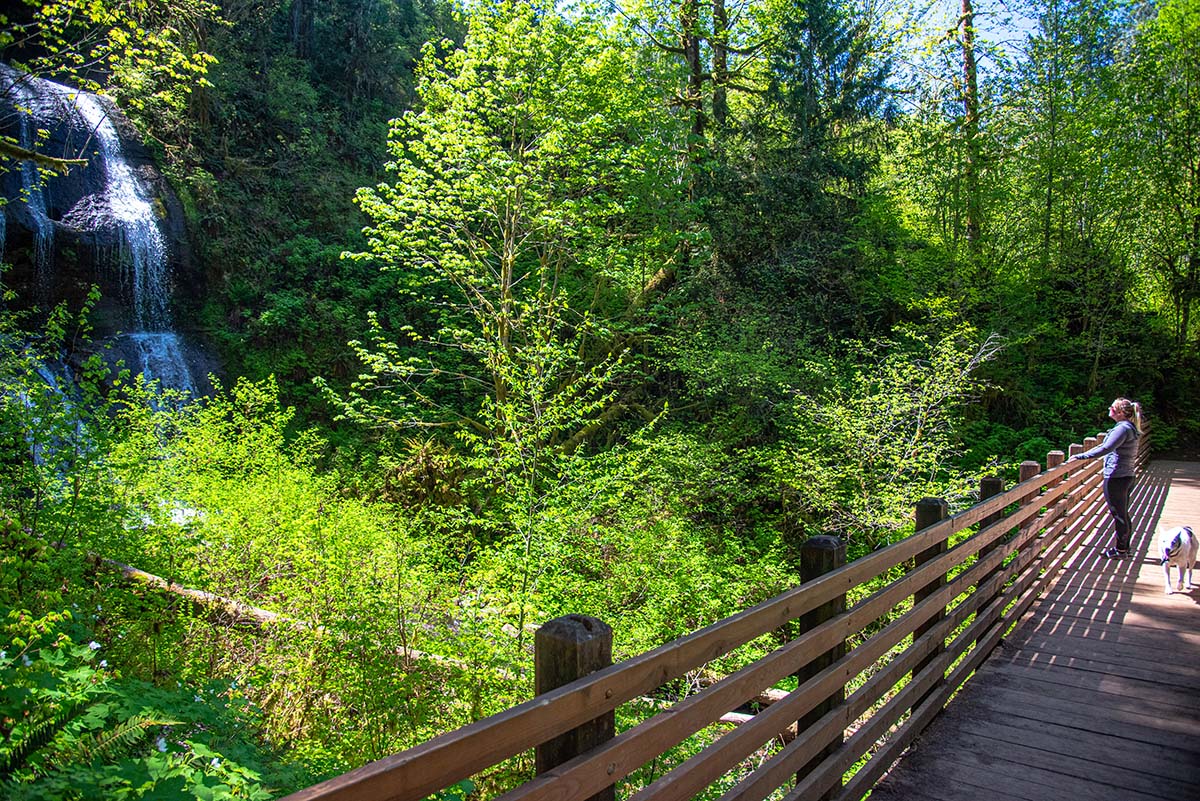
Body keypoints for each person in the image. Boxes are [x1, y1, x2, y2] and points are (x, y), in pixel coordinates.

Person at [1069, 397, 1143, 558]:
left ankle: (1121, 550)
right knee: (1122, 513)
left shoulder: (1122, 428)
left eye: (1112, 406)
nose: (1109, 408)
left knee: (1119, 515)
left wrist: (1081, 456)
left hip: (1117, 476)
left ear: (1121, 412)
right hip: (1126, 475)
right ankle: (1124, 548)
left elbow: (1106, 448)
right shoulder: (1128, 427)